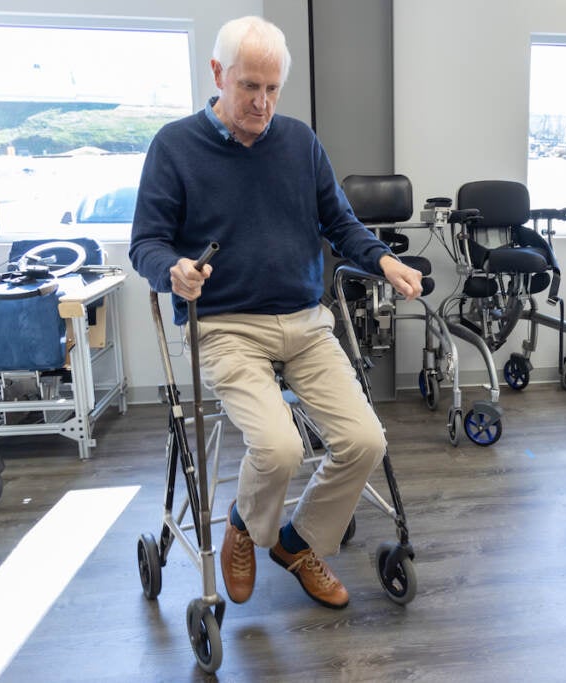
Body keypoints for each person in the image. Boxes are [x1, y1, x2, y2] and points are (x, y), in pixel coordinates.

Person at [129, 15, 423, 610]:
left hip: (305, 323)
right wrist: (174, 271)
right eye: (249, 87)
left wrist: (383, 260)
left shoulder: (299, 142)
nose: (262, 103)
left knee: (365, 441)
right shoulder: (175, 147)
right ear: (218, 74)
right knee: (281, 447)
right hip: (226, 326)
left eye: (272, 90)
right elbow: (146, 244)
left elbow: (339, 222)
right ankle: (243, 526)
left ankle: (295, 540)